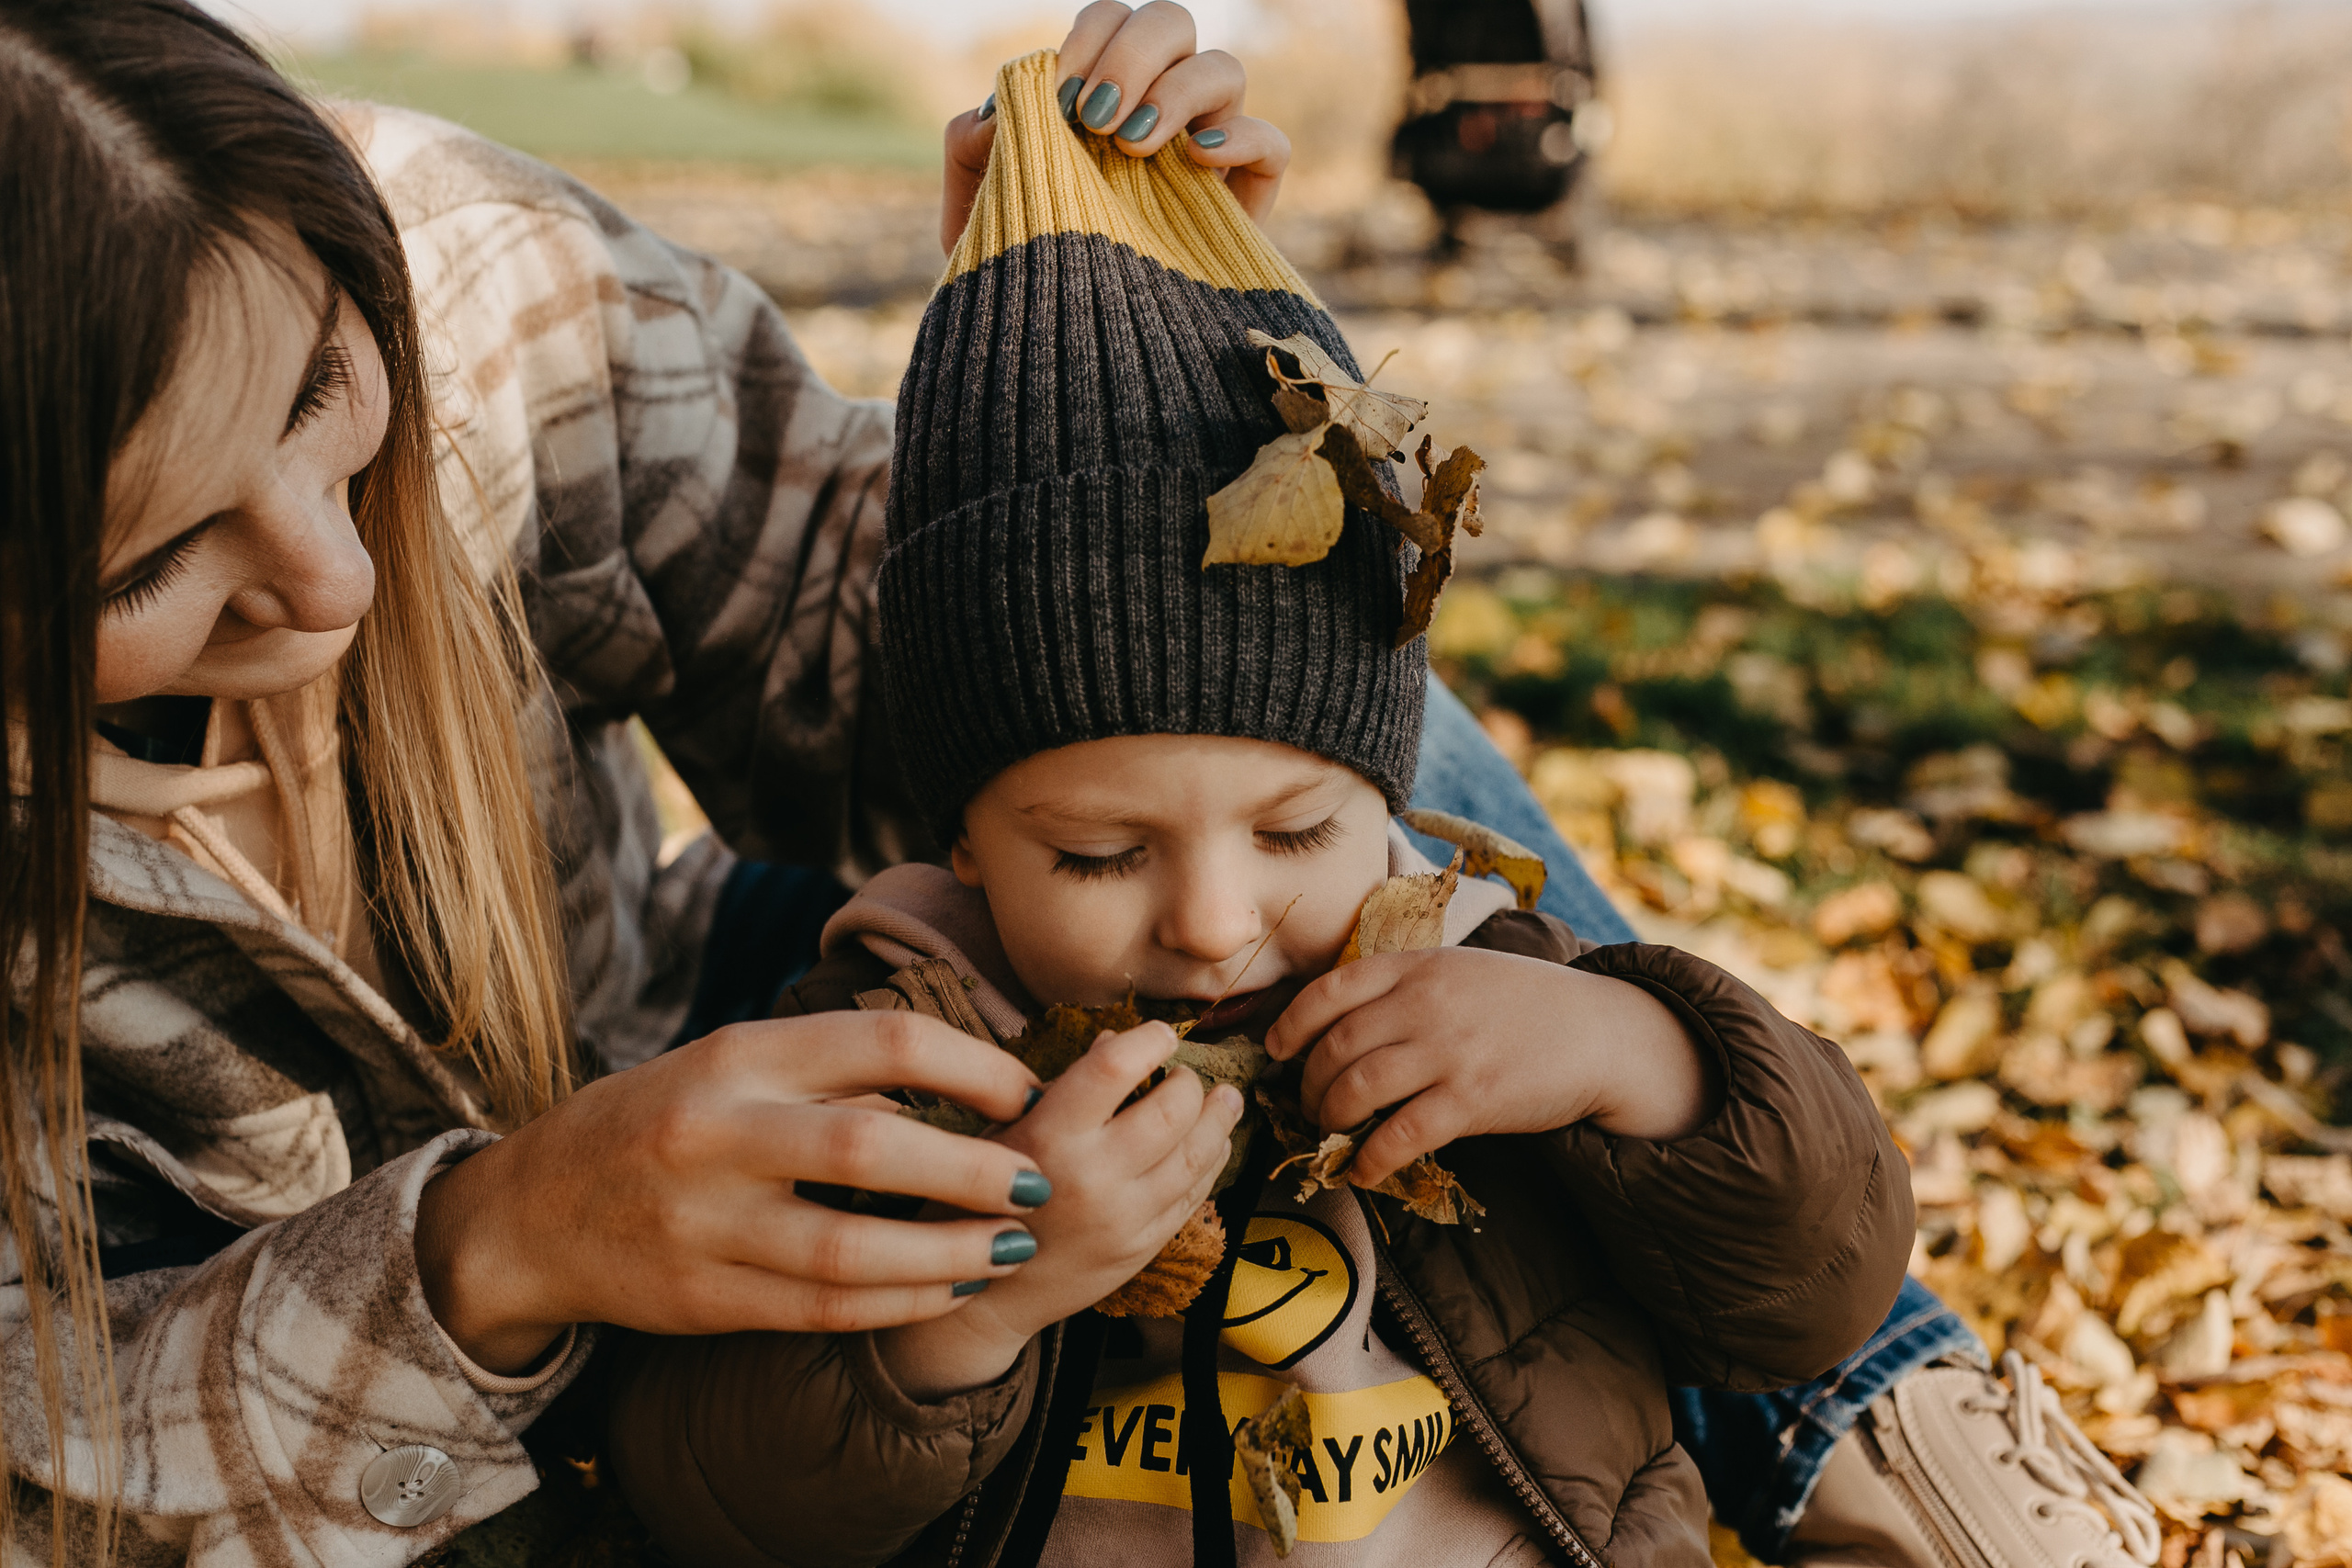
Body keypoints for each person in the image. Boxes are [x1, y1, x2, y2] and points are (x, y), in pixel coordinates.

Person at [0, 1, 2156, 1563]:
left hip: (669, 1005)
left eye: (325, 396)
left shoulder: (462, 271)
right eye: (162, 552)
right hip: (309, 1392)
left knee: (1294, 721)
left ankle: (1870, 1414)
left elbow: (910, 656)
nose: (338, 563)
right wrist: (507, 1244)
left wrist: (1074, 383)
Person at [598, 51, 2130, 1568]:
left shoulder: (1483, 975)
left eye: (1295, 834)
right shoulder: (906, 1045)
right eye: (1098, 854)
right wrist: (988, 1299)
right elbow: (712, 1486)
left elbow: (1816, 1289)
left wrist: (1634, 1058)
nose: (1209, 923)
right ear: (963, 844)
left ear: (1387, 793)